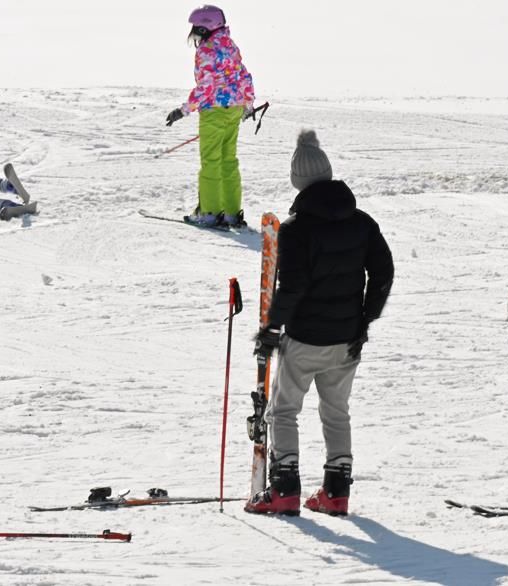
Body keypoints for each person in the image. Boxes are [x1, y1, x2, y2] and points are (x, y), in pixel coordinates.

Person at [245, 130, 394, 516]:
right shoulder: (362, 222)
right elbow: (383, 273)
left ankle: (285, 489)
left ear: (298, 182)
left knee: (283, 410)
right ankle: (336, 492)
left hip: (305, 338)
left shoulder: (296, 229)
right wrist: (365, 321)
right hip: (346, 339)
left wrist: (272, 329)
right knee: (336, 410)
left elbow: (292, 286)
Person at [165, 4, 254, 229]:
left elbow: (206, 86)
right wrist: (248, 103)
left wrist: (184, 110)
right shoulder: (231, 46)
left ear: (206, 28)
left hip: (214, 110)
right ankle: (233, 213)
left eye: (197, 28)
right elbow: (244, 76)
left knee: (211, 161)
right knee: (228, 161)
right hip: (234, 108)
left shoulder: (206, 50)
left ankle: (210, 212)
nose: (194, 33)